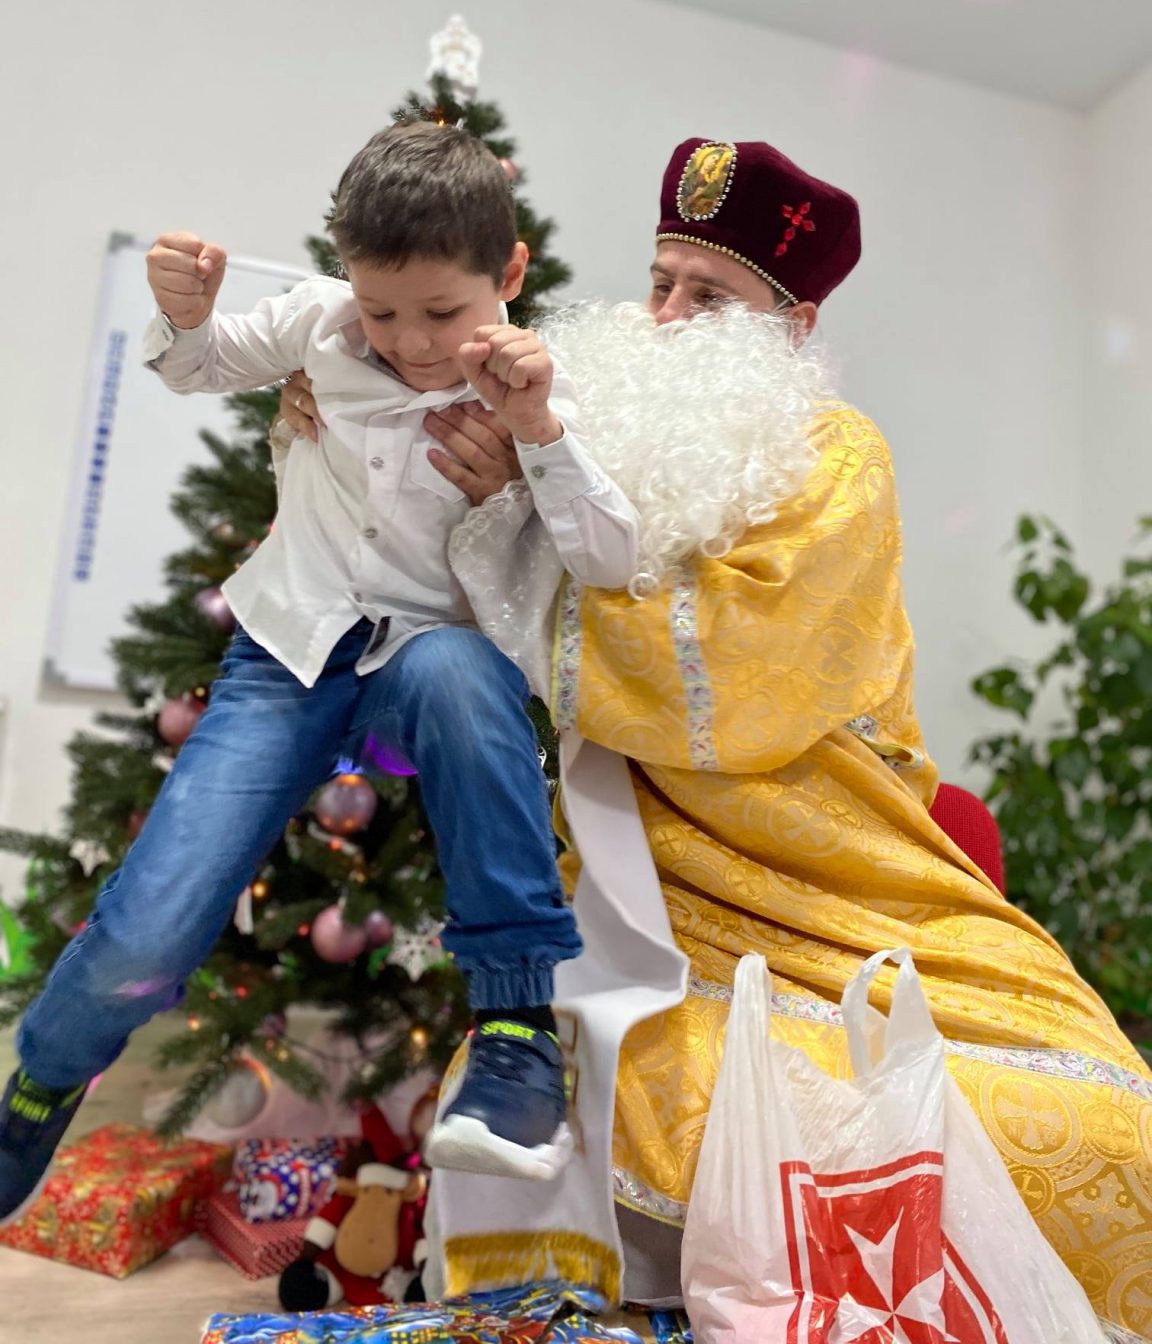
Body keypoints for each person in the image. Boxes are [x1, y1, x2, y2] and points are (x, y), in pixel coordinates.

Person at [336, 137, 1146, 1337]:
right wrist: (363, 429)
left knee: (1107, 1124)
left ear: (793, 326)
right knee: (600, 1081)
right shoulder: (558, 428)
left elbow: (733, 664)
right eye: (659, 282)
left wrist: (524, 536)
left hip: (848, 886)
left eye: (708, 297)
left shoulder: (836, 456)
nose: (666, 316)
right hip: (650, 908)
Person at [0, 122, 645, 1225]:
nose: (411, 342)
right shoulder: (320, 324)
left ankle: (515, 1033)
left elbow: (611, 559)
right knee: (153, 915)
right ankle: (40, 1085)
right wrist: (188, 315)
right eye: (381, 312)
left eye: (442, 312)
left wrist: (538, 433)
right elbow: (195, 365)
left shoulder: (540, 390)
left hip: (420, 659)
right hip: (287, 654)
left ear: (510, 273)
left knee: (459, 673)